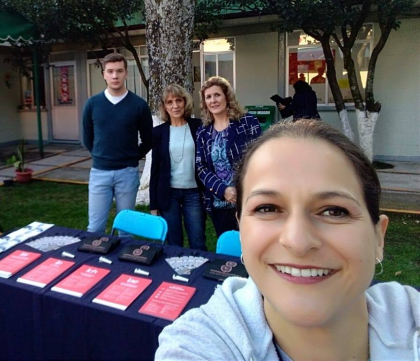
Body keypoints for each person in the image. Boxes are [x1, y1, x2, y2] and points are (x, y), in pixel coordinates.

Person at [156, 120, 419, 361]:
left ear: (378, 237)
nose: (298, 241)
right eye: (267, 208)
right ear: (241, 229)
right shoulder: (198, 345)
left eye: (334, 211)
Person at [82, 53, 153, 233]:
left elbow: (148, 139)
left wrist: (132, 156)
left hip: (127, 173)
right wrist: (101, 155)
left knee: (126, 229)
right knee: (95, 227)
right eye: (110, 71)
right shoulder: (92, 104)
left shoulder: (138, 105)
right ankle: (95, 260)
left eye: (119, 71)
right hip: (99, 172)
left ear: (126, 73)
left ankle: (125, 260)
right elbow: (87, 138)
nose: (115, 76)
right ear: (104, 74)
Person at [196, 76, 261, 238]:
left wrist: (239, 189)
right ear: (205, 103)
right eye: (208, 97)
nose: (213, 100)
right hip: (219, 203)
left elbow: (258, 160)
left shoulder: (247, 123)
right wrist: (223, 190)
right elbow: (201, 167)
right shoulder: (203, 132)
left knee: (252, 248)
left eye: (217, 95)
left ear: (227, 96)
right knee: (228, 251)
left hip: (247, 199)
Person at [150, 84, 206, 250]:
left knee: (197, 240)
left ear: (185, 102)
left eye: (178, 100)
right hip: (169, 194)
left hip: (194, 193)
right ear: (164, 107)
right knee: (173, 242)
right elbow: (155, 169)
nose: (175, 105)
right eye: (170, 102)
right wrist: (154, 204)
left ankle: (199, 274)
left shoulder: (199, 126)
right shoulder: (158, 132)